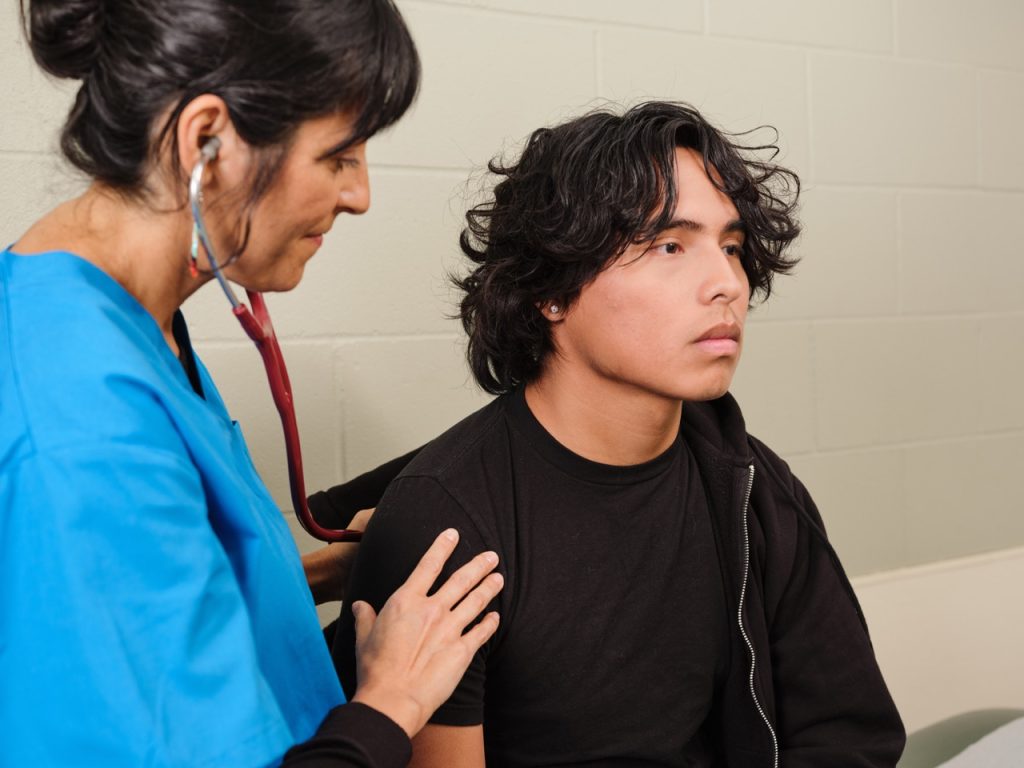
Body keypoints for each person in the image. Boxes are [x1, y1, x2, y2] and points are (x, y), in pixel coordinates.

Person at [0, 1, 504, 765]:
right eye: (339, 156)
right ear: (207, 140)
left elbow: (147, 612)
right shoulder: (78, 419)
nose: (360, 194)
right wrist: (391, 703)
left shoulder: (134, 324)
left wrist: (321, 574)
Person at [332, 102, 906, 767]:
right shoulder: (447, 523)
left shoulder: (753, 487)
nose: (727, 284)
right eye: (670, 246)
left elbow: (851, 739)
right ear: (551, 290)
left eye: (731, 247)